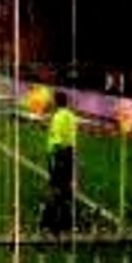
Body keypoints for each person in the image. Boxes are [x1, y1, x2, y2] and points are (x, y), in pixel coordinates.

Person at [42, 90, 79, 233]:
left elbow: (56, 140)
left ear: (56, 102)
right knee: (67, 187)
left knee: (55, 187)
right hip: (70, 153)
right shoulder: (71, 116)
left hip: (59, 155)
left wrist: (54, 159)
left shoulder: (58, 117)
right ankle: (69, 221)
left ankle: (51, 222)